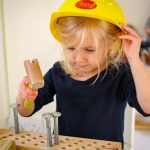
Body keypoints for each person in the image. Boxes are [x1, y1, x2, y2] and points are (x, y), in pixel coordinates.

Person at [16, 0, 150, 148]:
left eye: (89, 50)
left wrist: (134, 59)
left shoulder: (121, 74)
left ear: (112, 43)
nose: (79, 58)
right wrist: (24, 96)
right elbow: (25, 110)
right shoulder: (58, 72)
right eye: (71, 48)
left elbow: (147, 107)